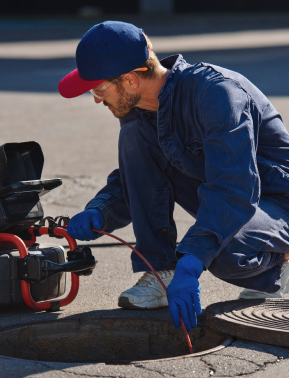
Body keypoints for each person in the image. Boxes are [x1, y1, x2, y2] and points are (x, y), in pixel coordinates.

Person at [58, 21, 289, 332]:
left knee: (219, 252)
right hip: (240, 196)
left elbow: (234, 188)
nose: (97, 99)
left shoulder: (218, 94)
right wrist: (100, 211)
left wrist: (192, 263)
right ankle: (160, 272)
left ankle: (280, 265)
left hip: (276, 201)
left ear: (129, 80)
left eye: (99, 89)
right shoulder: (140, 110)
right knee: (135, 138)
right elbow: (139, 176)